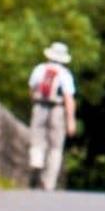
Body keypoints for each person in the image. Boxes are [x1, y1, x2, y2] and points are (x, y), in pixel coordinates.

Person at [26, 42, 76, 191]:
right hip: (57, 109)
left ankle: (37, 161)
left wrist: (34, 103)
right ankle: (49, 182)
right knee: (56, 146)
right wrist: (71, 119)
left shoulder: (39, 69)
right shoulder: (65, 74)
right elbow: (68, 97)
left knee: (37, 138)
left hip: (39, 106)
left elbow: (32, 89)